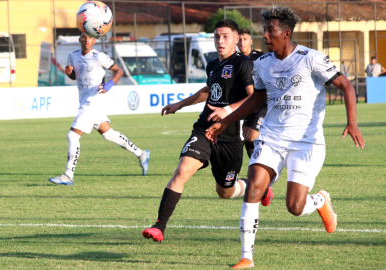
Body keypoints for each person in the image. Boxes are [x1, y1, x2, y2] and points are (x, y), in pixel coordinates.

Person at [205, 6, 365, 269]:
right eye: (264, 30)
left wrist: (352, 122)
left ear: (286, 34)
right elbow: (257, 98)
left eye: (271, 30)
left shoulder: (310, 58)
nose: (265, 35)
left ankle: (320, 201)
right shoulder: (262, 64)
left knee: (295, 206)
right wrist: (226, 120)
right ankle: (247, 257)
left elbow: (345, 85)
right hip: (271, 136)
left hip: (306, 142)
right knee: (254, 187)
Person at [142, 20, 271, 243]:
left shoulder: (244, 65)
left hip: (230, 137)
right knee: (182, 170)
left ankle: (254, 185)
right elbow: (209, 90)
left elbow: (254, 97)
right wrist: (179, 104)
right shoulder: (213, 65)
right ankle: (159, 226)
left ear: (236, 39)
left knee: (225, 192)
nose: (220, 41)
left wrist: (228, 109)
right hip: (204, 130)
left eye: (225, 37)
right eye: (217, 37)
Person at [48, 33, 150, 185]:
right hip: (84, 100)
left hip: (94, 100)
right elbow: (75, 77)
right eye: (83, 37)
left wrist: (109, 85)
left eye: (89, 38)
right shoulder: (73, 56)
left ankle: (68, 175)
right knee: (108, 134)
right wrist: (70, 73)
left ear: (94, 40)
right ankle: (141, 154)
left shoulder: (99, 56)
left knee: (72, 136)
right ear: (79, 39)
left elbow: (119, 71)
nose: (86, 40)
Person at [237, 28, 268, 158]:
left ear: (251, 41)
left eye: (245, 39)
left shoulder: (261, 57)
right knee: (246, 136)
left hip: (262, 103)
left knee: (251, 136)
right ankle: (254, 165)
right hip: (248, 104)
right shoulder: (235, 60)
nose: (242, 43)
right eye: (239, 40)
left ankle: (265, 160)